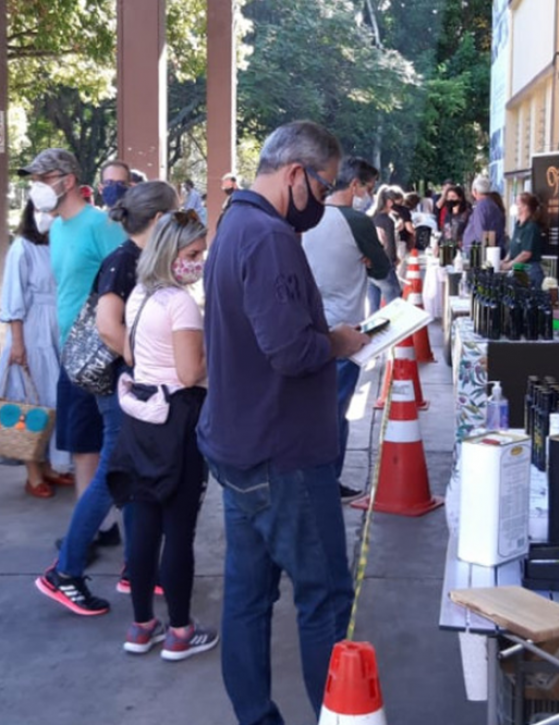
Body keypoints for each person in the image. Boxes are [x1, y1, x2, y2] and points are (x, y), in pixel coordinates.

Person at [197, 121, 369, 724]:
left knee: (247, 597)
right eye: (323, 187)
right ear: (296, 174)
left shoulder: (233, 225)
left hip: (240, 445)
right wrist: (339, 341)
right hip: (283, 453)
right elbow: (292, 351)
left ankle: (255, 716)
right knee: (325, 598)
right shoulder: (269, 237)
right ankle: (337, 715)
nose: (324, 201)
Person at [36, 181, 178, 616]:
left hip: (129, 384)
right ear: (159, 219)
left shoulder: (141, 259)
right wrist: (144, 363)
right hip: (121, 385)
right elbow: (107, 326)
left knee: (130, 476)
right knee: (111, 477)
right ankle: (65, 572)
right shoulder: (124, 260)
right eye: (176, 215)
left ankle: (137, 567)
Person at [109, 209, 217, 660]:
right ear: (172, 252)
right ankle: (179, 630)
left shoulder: (139, 295)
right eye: (193, 253)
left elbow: (131, 355)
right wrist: (218, 355)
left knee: (144, 527)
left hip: (140, 418)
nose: (198, 262)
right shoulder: (180, 303)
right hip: (178, 420)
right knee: (178, 530)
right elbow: (191, 373)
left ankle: (141, 626)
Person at [19, 148, 125, 520]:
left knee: (107, 446)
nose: (37, 186)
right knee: (82, 445)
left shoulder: (100, 225)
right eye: (34, 179)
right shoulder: (58, 229)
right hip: (71, 354)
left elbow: (130, 278)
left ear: (67, 181)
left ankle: (94, 527)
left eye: (43, 178)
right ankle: (92, 526)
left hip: (101, 353)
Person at [303, 157, 391, 502]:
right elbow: (381, 268)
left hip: (306, 327)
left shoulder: (305, 216)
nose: (369, 195)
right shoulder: (356, 222)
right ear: (355, 185)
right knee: (336, 411)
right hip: (345, 330)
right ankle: (328, 483)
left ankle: (309, 479)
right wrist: (370, 257)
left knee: (310, 409)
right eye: (368, 188)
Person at [0, 201, 73, 497]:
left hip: (58, 329)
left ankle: (49, 466)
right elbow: (13, 297)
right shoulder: (23, 247)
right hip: (33, 331)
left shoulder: (61, 243)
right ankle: (33, 473)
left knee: (54, 400)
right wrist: (18, 343)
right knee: (31, 400)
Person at [366, 185, 404, 313]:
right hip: (385, 268)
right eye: (399, 204)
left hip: (370, 269)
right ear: (389, 203)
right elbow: (390, 246)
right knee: (395, 307)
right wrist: (394, 260)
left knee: (373, 308)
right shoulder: (388, 221)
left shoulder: (370, 217)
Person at [502, 192, 546, 287]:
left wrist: (509, 265)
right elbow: (513, 247)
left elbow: (526, 254)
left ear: (525, 207)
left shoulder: (531, 227)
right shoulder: (518, 225)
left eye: (517, 203)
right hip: (519, 270)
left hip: (529, 271)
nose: (515, 206)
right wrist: (505, 261)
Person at [463, 176, 507, 251]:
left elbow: (480, 232)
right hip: (493, 249)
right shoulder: (494, 205)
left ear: (475, 191)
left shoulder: (480, 207)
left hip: (478, 252)